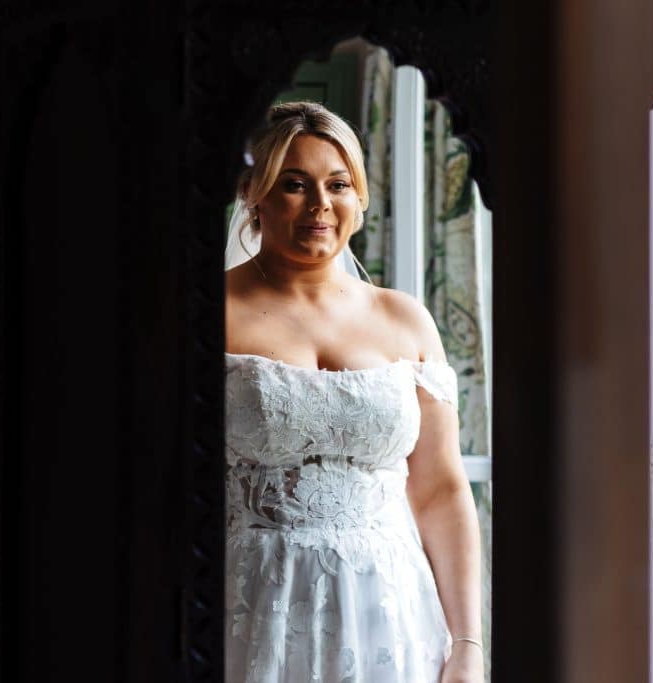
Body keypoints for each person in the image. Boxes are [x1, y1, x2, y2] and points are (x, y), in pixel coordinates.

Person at [223, 101, 484, 683]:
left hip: (390, 613)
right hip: (254, 603)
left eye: (338, 185)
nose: (320, 205)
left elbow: (441, 489)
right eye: (294, 184)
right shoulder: (208, 314)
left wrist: (468, 641)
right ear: (253, 194)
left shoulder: (406, 320)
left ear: (360, 199)